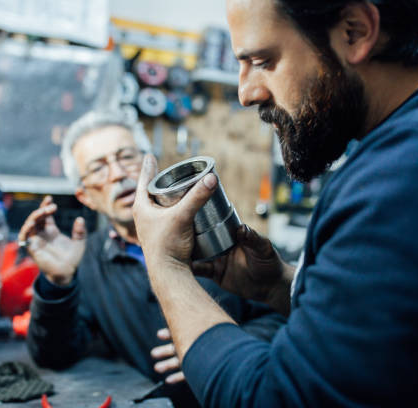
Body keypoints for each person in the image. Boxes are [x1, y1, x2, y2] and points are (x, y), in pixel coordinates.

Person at [131, 0, 418, 407]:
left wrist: (167, 268)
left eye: (263, 61)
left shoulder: (410, 176)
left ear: (354, 31)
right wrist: (281, 286)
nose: (246, 93)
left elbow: (276, 400)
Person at [17, 109, 286, 407]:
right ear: (85, 197)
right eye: (98, 168)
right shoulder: (89, 263)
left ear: (150, 163)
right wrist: (57, 282)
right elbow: (54, 355)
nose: (118, 173)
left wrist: (218, 344)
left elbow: (282, 315)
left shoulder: (216, 233)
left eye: (127, 157)